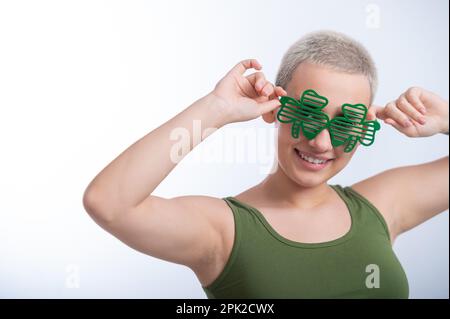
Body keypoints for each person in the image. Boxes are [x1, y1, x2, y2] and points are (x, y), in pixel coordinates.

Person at [82, 31, 449, 298]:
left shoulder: (381, 206)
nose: (321, 142)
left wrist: (447, 119)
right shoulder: (224, 230)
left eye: (345, 123)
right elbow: (109, 203)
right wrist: (217, 108)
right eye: (306, 113)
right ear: (275, 108)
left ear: (365, 126)